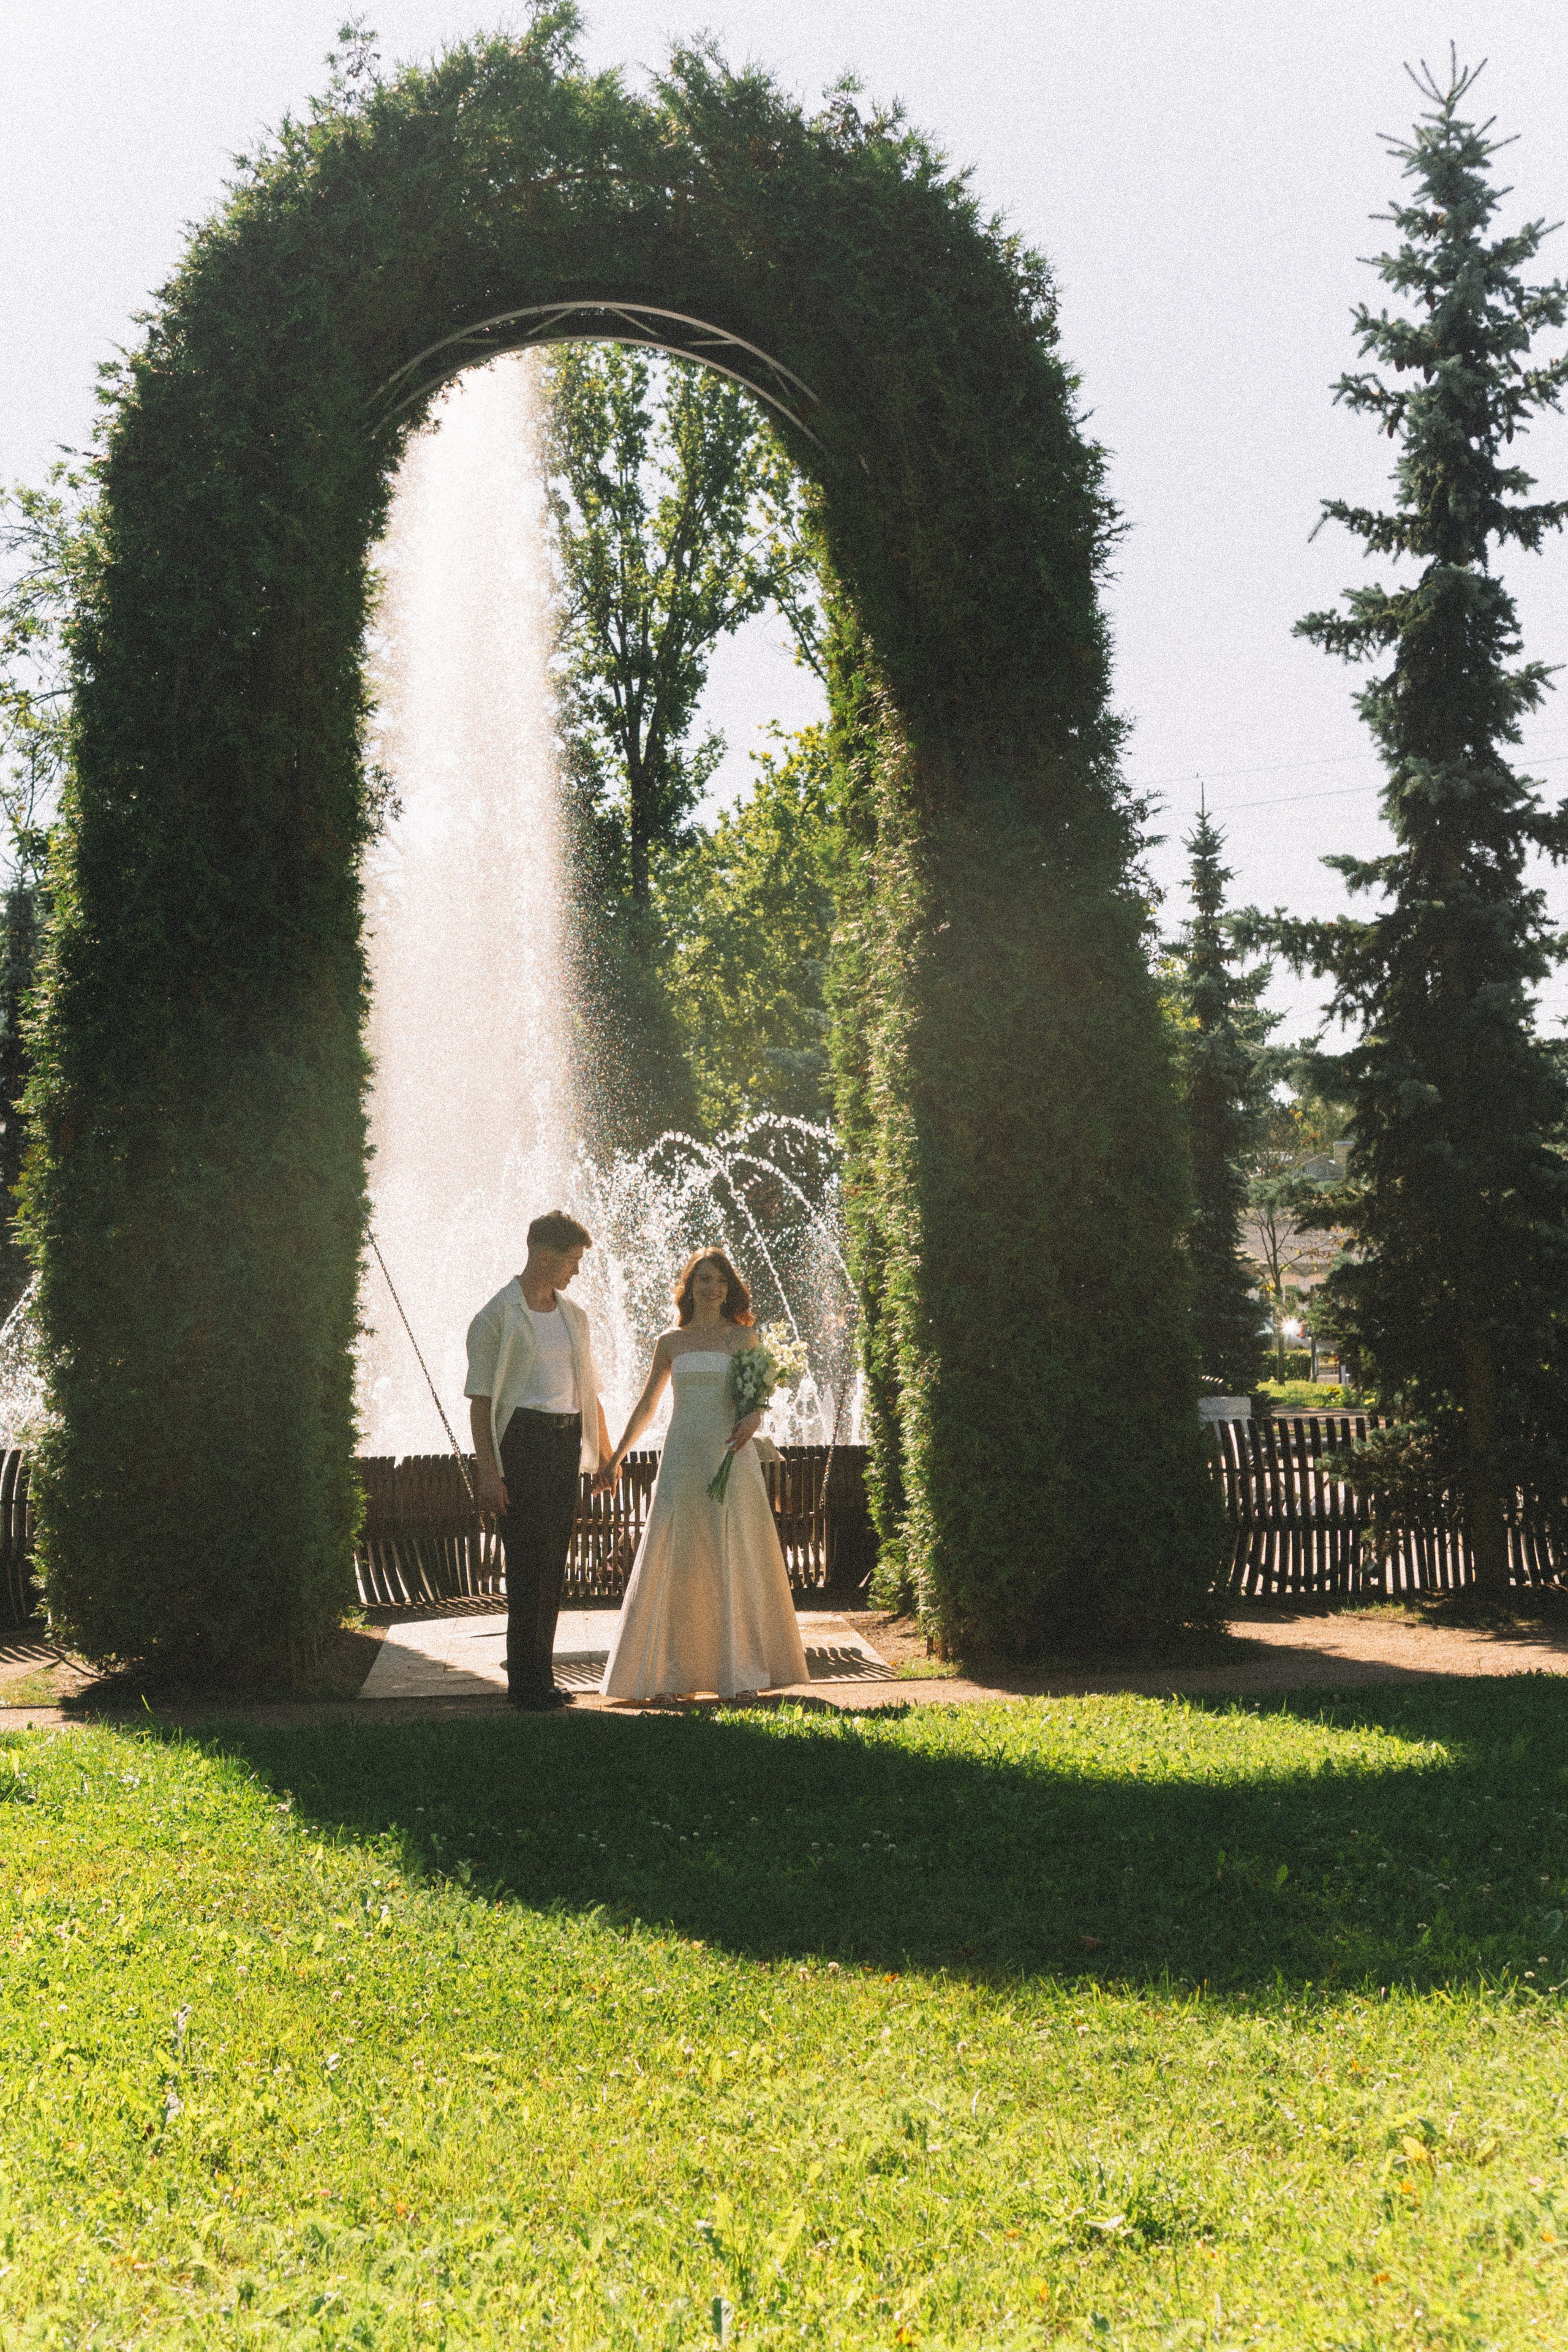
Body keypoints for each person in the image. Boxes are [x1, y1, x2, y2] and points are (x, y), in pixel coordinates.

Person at [594, 1249, 809, 1702]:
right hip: (683, 1455)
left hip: (730, 1452)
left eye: (720, 1281)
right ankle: (667, 1675)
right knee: (677, 1552)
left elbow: (756, 1402)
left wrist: (754, 1419)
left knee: (734, 1549)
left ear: (730, 1289)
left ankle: (741, 1672)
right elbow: (648, 1405)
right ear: (689, 1287)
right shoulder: (670, 1342)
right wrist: (614, 1460)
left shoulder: (744, 1338)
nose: (712, 1288)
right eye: (704, 1279)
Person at [465, 1210, 611, 1711]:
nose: (577, 1271)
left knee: (553, 1564)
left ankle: (541, 1678)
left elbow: (589, 1391)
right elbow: (481, 1403)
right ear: (545, 1256)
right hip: (521, 1444)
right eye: (572, 1261)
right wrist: (489, 1474)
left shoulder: (574, 1317)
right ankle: (526, 1685)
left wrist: (606, 1454)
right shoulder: (496, 1316)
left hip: (564, 1445)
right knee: (527, 1562)